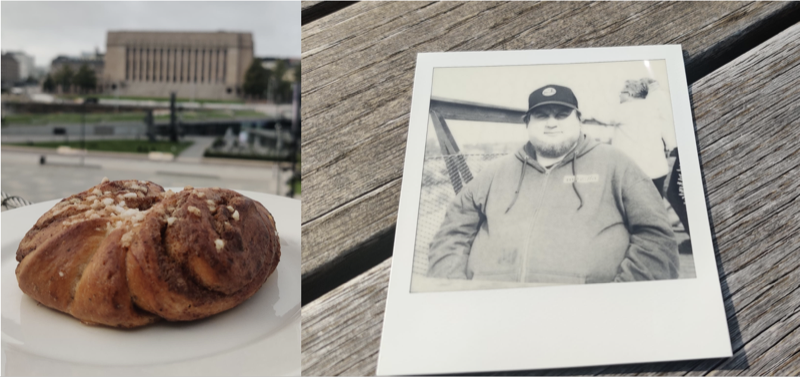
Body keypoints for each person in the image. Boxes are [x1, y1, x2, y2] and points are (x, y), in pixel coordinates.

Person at [427, 84, 679, 284]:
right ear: (527, 123)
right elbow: (453, 230)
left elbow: (656, 237)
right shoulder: (495, 171)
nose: (551, 122)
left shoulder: (617, 165)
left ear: (578, 119)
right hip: (492, 313)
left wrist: (620, 300)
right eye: (540, 115)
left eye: (561, 114)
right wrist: (452, 289)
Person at [611, 79, 677, 196]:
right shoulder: (653, 108)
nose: (619, 95)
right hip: (658, 171)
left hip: (635, 174)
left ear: (630, 94)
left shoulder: (624, 109)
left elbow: (596, 117)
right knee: (655, 209)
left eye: (621, 92)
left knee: (633, 210)